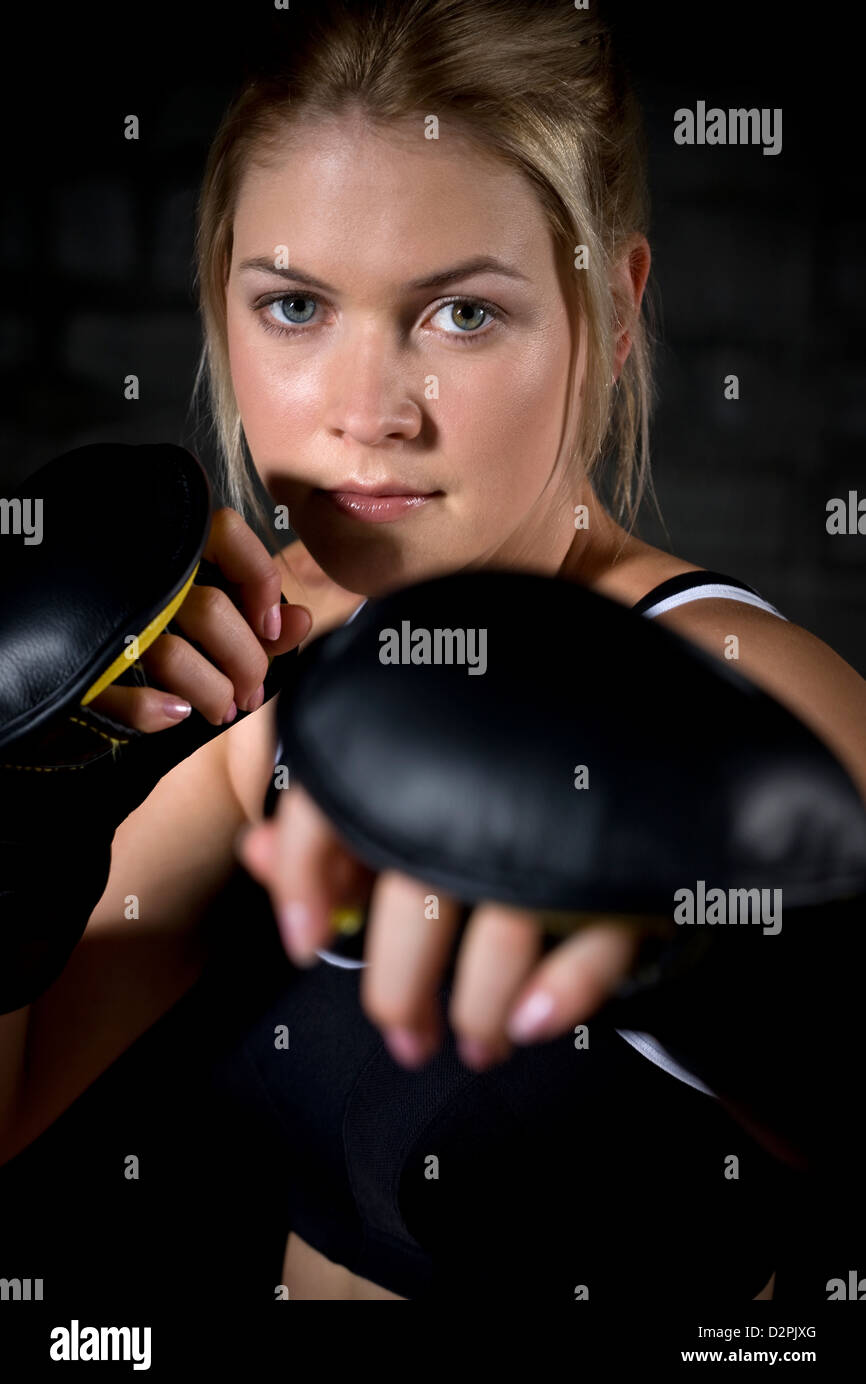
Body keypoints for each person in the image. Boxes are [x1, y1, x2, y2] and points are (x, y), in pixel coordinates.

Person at [3, 0, 865, 1302]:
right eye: (293, 305)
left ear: (610, 310)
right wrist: (13, 813)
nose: (366, 415)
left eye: (460, 315)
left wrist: (741, 982)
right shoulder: (260, 665)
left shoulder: (746, 690)